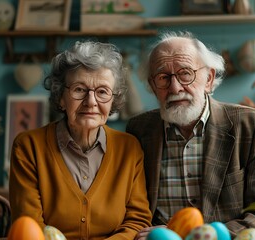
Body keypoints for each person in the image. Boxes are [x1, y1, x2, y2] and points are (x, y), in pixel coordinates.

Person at [126, 31, 255, 239]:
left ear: (209, 79)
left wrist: (196, 235)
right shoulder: (139, 130)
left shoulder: (252, 125)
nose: (175, 87)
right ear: (152, 86)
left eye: (186, 73)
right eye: (163, 77)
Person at [9, 40, 152, 239]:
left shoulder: (129, 147)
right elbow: (29, 224)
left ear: (113, 101)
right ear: (60, 96)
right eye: (79, 90)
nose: (91, 102)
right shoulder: (28, 146)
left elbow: (137, 220)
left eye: (102, 92)